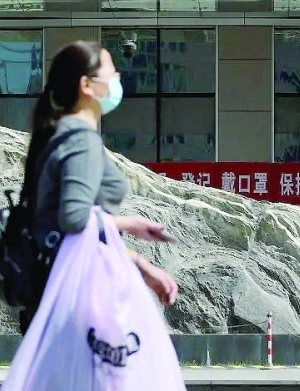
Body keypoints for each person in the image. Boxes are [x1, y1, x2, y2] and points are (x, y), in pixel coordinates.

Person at [17, 40, 179, 333]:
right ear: (86, 85)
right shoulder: (81, 139)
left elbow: (64, 230)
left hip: (61, 294)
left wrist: (137, 264)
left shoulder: (57, 132)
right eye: (111, 72)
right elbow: (74, 220)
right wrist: (130, 224)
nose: (117, 79)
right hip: (83, 300)